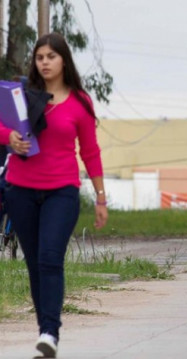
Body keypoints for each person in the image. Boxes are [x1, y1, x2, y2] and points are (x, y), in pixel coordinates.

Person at [0, 33, 108, 358]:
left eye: (51, 56)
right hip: (20, 190)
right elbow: (1, 125)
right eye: (39, 57)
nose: (44, 62)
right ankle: (44, 331)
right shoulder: (22, 94)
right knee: (34, 264)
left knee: (50, 258)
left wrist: (101, 198)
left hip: (62, 191)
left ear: (64, 60)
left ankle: (51, 332)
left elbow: (90, 151)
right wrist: (10, 137)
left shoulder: (80, 102)